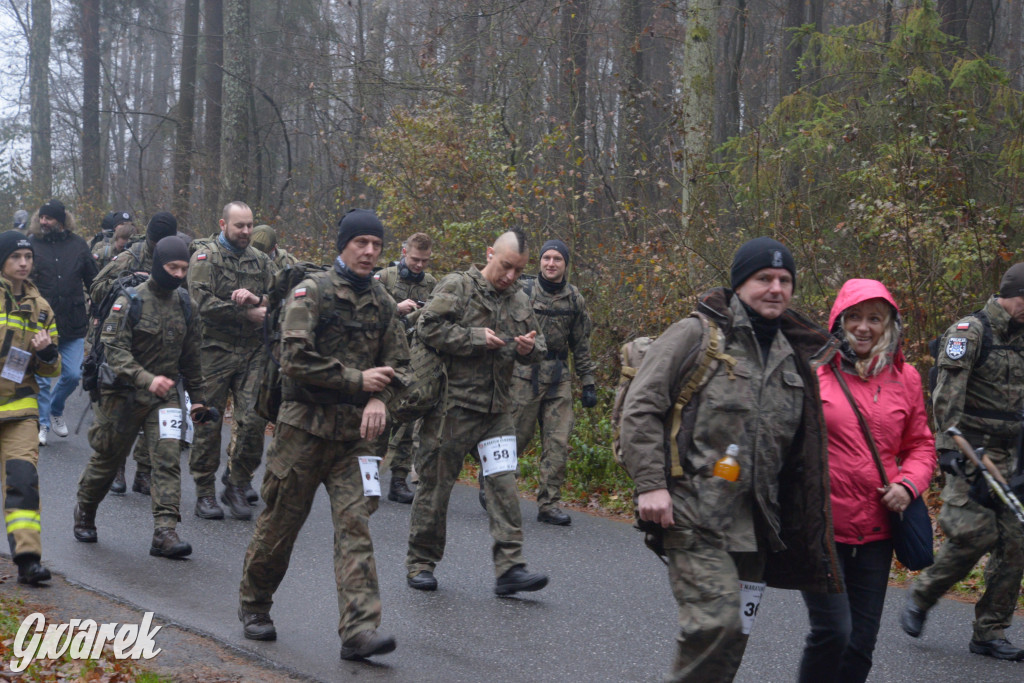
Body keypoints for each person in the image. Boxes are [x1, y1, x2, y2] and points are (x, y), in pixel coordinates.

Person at [619, 237, 841, 683]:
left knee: (734, 635)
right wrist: (650, 484)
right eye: (764, 279)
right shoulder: (696, 335)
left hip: (756, 527)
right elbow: (641, 408)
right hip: (692, 512)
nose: (776, 288)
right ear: (740, 284)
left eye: (784, 280)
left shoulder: (795, 355)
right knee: (714, 622)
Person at [238, 208, 409, 661]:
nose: (370, 251)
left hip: (354, 439)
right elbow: (293, 358)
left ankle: (359, 629)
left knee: (355, 528)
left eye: (377, 244)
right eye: (361, 243)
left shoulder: (385, 304)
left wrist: (379, 399)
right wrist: (358, 381)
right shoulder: (310, 292)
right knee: (279, 526)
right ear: (343, 245)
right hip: (302, 430)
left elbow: (402, 372)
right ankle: (255, 605)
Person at [797, 279, 935, 682]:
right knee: (832, 634)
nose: (863, 326)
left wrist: (908, 485)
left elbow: (921, 447)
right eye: (854, 316)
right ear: (838, 321)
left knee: (861, 645)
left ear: (890, 324)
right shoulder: (814, 372)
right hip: (824, 529)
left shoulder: (905, 378)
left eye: (874, 318)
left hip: (877, 533)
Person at [405, 230, 550, 595]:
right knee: (436, 489)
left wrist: (528, 349)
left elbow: (540, 345)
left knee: (503, 486)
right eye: (505, 267)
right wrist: (473, 338)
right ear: (490, 254)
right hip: (451, 408)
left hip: (496, 410)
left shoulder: (519, 300)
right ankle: (421, 562)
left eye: (518, 270)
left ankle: (510, 568)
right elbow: (427, 328)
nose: (511, 277)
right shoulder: (458, 286)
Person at [901, 262, 1024, 661]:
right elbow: (946, 391)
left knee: (1016, 543)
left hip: (1012, 454)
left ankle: (990, 632)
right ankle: (923, 594)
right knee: (975, 534)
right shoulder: (970, 332)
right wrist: (948, 446)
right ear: (1016, 297)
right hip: (971, 449)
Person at [72, 236, 210, 559]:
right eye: (171, 267)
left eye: (183, 269)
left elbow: (192, 358)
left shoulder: (186, 305)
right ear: (157, 265)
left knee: (167, 458)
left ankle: (165, 531)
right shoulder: (129, 300)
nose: (178, 274)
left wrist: (199, 398)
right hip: (122, 395)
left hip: (164, 398)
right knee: (107, 460)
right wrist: (146, 379)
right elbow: (115, 352)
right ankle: (85, 510)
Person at [187, 201, 273, 520]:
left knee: (253, 420)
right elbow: (198, 300)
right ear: (223, 224)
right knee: (208, 422)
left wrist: (258, 300)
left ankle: (237, 484)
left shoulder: (261, 260)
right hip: (213, 350)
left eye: (250, 225)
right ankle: (205, 491)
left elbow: (281, 296)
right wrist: (243, 312)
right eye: (240, 226)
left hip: (252, 352)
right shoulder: (205, 257)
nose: (246, 231)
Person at [90, 212, 180, 497]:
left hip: (160, 347)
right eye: (155, 242)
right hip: (122, 339)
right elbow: (96, 289)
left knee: (154, 411)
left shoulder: (178, 259)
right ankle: (115, 466)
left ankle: (144, 471)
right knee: (119, 408)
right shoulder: (131, 256)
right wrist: (129, 282)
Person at [510, 238, 596, 525]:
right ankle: (496, 488)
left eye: (557, 259)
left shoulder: (574, 299)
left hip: (559, 377)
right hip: (524, 374)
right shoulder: (522, 292)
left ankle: (549, 504)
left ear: (565, 265)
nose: (551, 263)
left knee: (557, 442)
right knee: (515, 439)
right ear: (540, 262)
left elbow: (581, 345)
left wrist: (589, 382)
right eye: (546, 258)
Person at [0, 231, 60, 585]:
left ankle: (27, 561)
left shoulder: (41, 308)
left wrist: (47, 352)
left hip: (20, 409)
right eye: (16, 256)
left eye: (28, 256)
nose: (24, 263)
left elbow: (52, 371)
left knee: (24, 482)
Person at [373, 231, 437, 503]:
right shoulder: (384, 278)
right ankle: (369, 474)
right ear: (403, 253)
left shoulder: (432, 284)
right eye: (414, 259)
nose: (419, 265)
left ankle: (399, 480)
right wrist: (395, 307)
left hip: (415, 359)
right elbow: (369, 310)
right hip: (385, 357)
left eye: (424, 260)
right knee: (379, 419)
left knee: (409, 420)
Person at [28, 199, 98, 446]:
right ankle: (42, 424)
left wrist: (99, 309)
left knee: (72, 373)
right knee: (42, 378)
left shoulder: (78, 245)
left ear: (61, 220)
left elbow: (94, 280)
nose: (44, 222)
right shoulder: (31, 244)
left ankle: (56, 410)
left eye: (49, 218)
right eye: (41, 218)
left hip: (73, 322)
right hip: (41, 324)